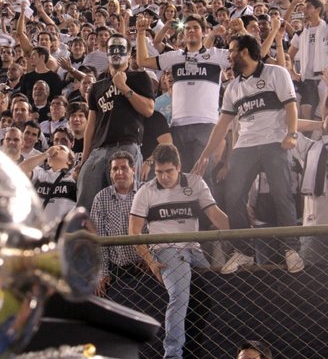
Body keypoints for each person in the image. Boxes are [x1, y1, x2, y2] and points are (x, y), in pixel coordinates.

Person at [193, 34, 305, 274]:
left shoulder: (276, 73)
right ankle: (243, 252)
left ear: (244, 52)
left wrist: (292, 134)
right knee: (232, 196)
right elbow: (222, 125)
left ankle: (291, 249)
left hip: (275, 141)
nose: (229, 55)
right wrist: (204, 155)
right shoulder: (232, 87)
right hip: (244, 146)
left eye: (232, 50)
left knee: (281, 194)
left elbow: (290, 106)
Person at [129, 144, 229, 359]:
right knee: (179, 297)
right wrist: (150, 261)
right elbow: (134, 232)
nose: (163, 177)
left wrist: (236, 226)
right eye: (159, 172)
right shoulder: (146, 191)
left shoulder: (195, 183)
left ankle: (194, 351)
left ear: (179, 167)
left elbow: (215, 215)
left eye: (168, 171)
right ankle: (172, 354)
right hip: (166, 249)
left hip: (194, 249)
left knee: (204, 299)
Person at [137, 14, 232, 173]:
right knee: (180, 177)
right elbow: (142, 61)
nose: (191, 31)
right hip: (178, 126)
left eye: (196, 27)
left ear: (204, 32)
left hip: (206, 125)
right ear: (183, 33)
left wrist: (240, 31)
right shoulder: (175, 57)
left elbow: (248, 56)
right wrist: (140, 33)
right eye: (187, 28)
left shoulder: (216, 55)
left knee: (203, 178)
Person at [76, 34, 154, 210]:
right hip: (98, 151)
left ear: (129, 54)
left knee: (127, 205)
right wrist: (84, 158)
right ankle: (87, 238)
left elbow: (148, 110)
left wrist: (124, 88)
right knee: (86, 205)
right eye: (112, 49)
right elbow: (91, 126)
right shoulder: (96, 87)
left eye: (121, 49)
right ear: (107, 54)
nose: (116, 52)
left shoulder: (140, 77)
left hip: (127, 147)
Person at [90, 150, 154, 302]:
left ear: (133, 170)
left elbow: (160, 227)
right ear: (110, 173)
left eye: (124, 168)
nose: (119, 172)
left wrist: (150, 258)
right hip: (119, 273)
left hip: (149, 269)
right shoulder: (101, 198)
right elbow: (98, 239)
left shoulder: (148, 192)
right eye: (115, 169)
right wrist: (102, 273)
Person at [20, 145, 76, 224]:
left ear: (70, 161)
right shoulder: (40, 173)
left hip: (63, 232)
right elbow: (21, 169)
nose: (56, 149)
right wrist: (46, 154)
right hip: (38, 230)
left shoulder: (74, 176)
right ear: (48, 162)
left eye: (61, 149)